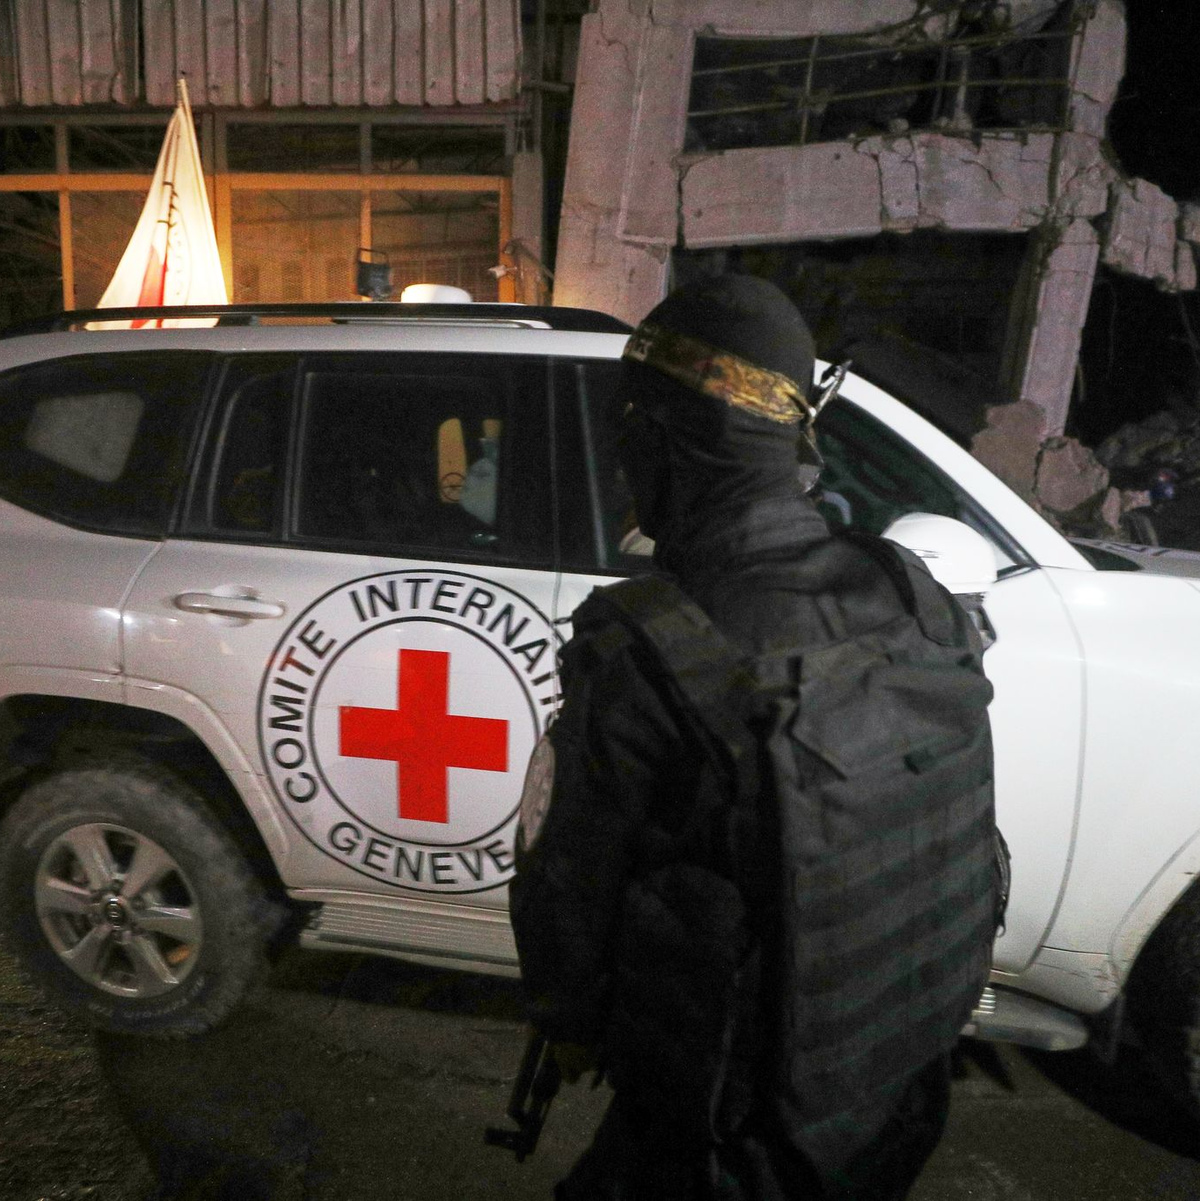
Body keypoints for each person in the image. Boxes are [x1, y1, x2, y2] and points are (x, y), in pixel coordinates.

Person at [509, 274, 998, 1200]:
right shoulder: (912, 593)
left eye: (629, 431)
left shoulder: (650, 646)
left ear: (662, 440)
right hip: (890, 1102)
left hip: (730, 1143)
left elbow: (565, 904)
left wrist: (566, 1018)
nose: (619, 460)